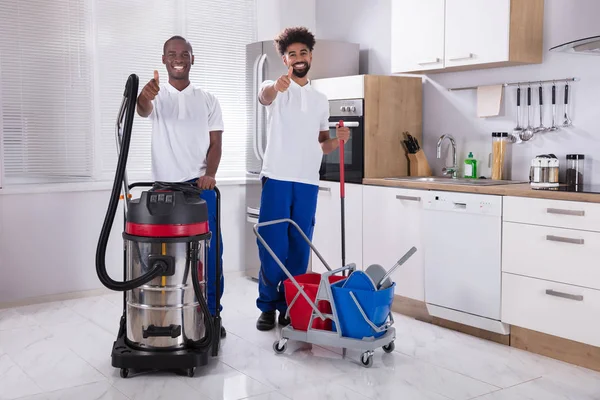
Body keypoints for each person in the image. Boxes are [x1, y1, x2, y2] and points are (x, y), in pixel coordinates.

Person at [255, 27, 351, 331]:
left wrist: (338, 141)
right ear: (284, 59)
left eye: (303, 53)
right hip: (278, 176)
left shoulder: (321, 99)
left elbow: (322, 142)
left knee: (300, 247)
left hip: (308, 180)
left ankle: (291, 305)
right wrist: (275, 88)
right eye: (292, 54)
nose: (298, 58)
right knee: (272, 245)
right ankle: (268, 306)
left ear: (311, 56)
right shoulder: (275, 87)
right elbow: (263, 96)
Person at [136, 35, 226, 338]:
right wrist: (143, 96)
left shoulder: (208, 99)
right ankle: (167, 314)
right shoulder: (156, 95)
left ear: (192, 59)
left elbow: (216, 144)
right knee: (164, 257)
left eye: (184, 53)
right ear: (164, 60)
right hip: (164, 189)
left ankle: (212, 314)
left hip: (199, 188)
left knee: (211, 253)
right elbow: (143, 109)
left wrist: (210, 174)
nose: (178, 58)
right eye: (172, 54)